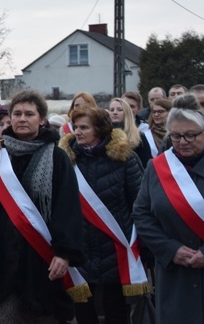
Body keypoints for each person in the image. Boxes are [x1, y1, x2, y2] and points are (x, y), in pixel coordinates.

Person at [0, 89, 86, 323]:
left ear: (42, 119)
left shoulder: (57, 157)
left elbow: (67, 207)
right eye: (17, 113)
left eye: (29, 114)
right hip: (1, 264)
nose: (22, 118)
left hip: (42, 264)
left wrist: (64, 252)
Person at [132, 94, 204, 323]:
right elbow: (141, 214)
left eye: (191, 135)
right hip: (174, 276)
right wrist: (171, 250)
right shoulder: (158, 168)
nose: (182, 142)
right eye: (177, 136)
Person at [59, 107, 145, 324]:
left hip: (116, 247)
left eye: (84, 127)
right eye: (75, 127)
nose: (77, 132)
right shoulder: (66, 160)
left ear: (100, 129)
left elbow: (140, 203)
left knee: (116, 312)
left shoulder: (125, 158)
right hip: (81, 247)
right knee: (85, 314)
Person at [108, 97, 151, 168]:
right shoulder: (104, 135)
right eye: (111, 110)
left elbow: (146, 163)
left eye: (119, 110)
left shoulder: (138, 136)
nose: (114, 112)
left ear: (127, 113)